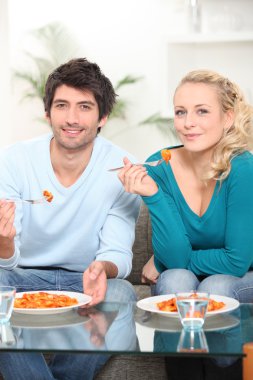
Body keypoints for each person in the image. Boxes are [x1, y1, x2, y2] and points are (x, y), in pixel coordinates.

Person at [0, 57, 140, 380]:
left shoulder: (123, 167)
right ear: (47, 112)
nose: (72, 118)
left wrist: (101, 268)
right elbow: (7, 262)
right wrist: (4, 242)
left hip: (85, 280)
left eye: (85, 107)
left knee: (121, 293)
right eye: (62, 105)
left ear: (102, 116)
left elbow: (118, 254)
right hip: (25, 278)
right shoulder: (14, 161)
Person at [118, 69, 253, 302]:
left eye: (202, 111)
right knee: (174, 280)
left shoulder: (243, 168)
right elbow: (176, 259)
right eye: (181, 112)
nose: (188, 123)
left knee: (216, 285)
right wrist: (153, 195)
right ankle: (180, 341)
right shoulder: (159, 165)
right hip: (183, 273)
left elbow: (236, 261)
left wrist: (162, 260)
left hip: (241, 275)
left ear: (227, 117)